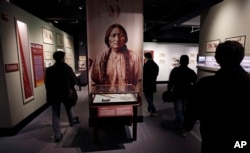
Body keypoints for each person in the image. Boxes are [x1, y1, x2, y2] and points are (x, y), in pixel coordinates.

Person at [184, 41, 250, 153]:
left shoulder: (205, 84)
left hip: (213, 139)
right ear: (241, 58)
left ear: (217, 58)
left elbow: (192, 110)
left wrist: (188, 125)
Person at [90, 24, 141, 90]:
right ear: (108, 38)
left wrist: (136, 96)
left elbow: (139, 81)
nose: (117, 39)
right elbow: (92, 81)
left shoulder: (134, 57)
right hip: (106, 98)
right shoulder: (100, 57)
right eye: (113, 35)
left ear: (125, 38)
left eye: (120, 35)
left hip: (127, 97)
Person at [45, 51, 79, 143]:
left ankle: (57, 135)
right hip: (65, 94)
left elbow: (47, 84)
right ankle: (72, 122)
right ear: (63, 58)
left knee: (55, 113)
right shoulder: (67, 68)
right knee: (68, 108)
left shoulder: (49, 70)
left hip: (54, 95)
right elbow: (74, 80)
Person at [167, 55, 197, 136]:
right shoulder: (191, 71)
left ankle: (180, 126)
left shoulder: (175, 70)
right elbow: (195, 83)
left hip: (177, 92)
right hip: (187, 93)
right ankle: (183, 126)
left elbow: (171, 81)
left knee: (178, 110)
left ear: (180, 61)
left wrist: (168, 90)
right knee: (184, 110)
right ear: (187, 62)